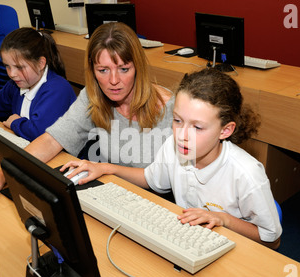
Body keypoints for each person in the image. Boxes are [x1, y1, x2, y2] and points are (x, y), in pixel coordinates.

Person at [61, 68, 282, 249]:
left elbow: (272, 240)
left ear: (225, 130)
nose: (182, 135)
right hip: (190, 242)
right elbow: (150, 178)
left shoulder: (246, 173)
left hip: (235, 250)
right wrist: (106, 168)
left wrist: (223, 219)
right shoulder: (174, 147)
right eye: (177, 121)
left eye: (197, 127)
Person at [0, 22, 175, 203]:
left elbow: (168, 179)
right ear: (92, 71)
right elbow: (52, 140)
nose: (113, 80)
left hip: (155, 203)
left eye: (123, 69)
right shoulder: (94, 97)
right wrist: (2, 175)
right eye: (103, 70)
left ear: (138, 68)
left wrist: (106, 168)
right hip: (115, 196)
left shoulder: (170, 109)